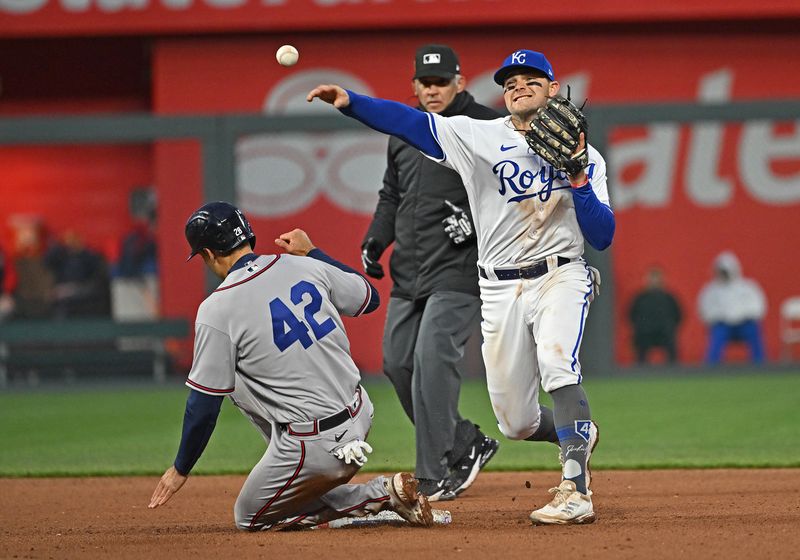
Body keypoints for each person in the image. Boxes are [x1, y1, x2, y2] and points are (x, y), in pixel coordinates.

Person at [308, 48, 614, 525]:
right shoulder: (477, 135)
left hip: (561, 273)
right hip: (497, 287)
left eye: (531, 78)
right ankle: (577, 432)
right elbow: (407, 123)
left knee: (559, 365)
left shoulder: (584, 155)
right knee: (517, 422)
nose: (518, 85)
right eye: (510, 81)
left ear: (554, 89)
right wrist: (351, 101)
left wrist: (577, 177)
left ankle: (575, 489)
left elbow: (602, 236)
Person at [149, 201, 434, 531]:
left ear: (209, 254)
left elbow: (203, 405)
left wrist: (180, 469)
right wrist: (313, 252)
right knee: (234, 379)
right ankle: (300, 467)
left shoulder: (217, 308)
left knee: (249, 518)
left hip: (316, 448)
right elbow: (369, 296)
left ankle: (378, 495)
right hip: (360, 415)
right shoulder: (304, 266)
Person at [360, 44, 500, 502]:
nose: (433, 89)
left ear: (460, 82)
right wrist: (376, 240)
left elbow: (508, 189)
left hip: (459, 268)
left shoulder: (484, 125)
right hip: (410, 270)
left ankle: (434, 472)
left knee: (432, 362)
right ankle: (463, 442)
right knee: (398, 363)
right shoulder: (403, 131)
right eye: (426, 82)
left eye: (442, 82)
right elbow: (391, 195)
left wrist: (476, 221)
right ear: (415, 86)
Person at [698, 251, 766, 364]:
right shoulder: (710, 290)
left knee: (754, 330)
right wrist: (718, 318)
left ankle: (760, 365)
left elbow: (758, 306)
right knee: (717, 334)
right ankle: (710, 368)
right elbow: (705, 309)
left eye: (726, 271)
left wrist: (744, 316)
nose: (724, 274)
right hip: (722, 325)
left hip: (744, 323)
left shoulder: (748, 287)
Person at [628, 266, 682, 364]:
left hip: (665, 332)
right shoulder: (640, 298)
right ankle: (639, 374)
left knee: (672, 349)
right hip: (645, 332)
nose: (654, 281)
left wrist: (669, 326)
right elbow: (631, 314)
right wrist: (640, 326)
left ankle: (673, 374)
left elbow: (678, 314)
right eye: (652, 278)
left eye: (657, 278)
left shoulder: (668, 298)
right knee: (640, 351)